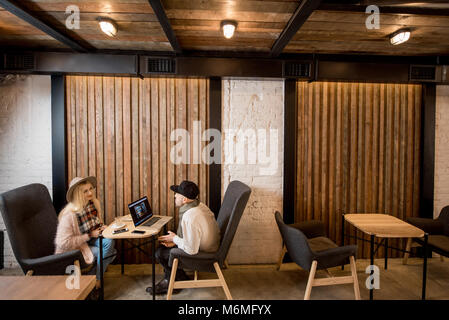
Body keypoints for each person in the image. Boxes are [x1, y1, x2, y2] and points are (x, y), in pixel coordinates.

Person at [146, 180, 221, 295]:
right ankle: (180, 276)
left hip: (204, 253)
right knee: (166, 248)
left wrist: (175, 239)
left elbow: (191, 249)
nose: (175, 196)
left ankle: (170, 282)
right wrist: (175, 240)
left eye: (177, 195)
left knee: (160, 253)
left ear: (185, 200)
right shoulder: (200, 205)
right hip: (207, 245)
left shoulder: (190, 216)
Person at [54, 176, 116, 288]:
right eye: (85, 191)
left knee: (110, 243)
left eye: (91, 189)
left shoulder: (93, 203)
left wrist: (103, 227)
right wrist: (89, 235)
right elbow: (62, 242)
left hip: (91, 240)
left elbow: (96, 223)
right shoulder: (69, 215)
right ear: (78, 194)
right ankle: (97, 279)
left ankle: (93, 277)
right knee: (111, 253)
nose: (90, 192)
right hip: (76, 248)